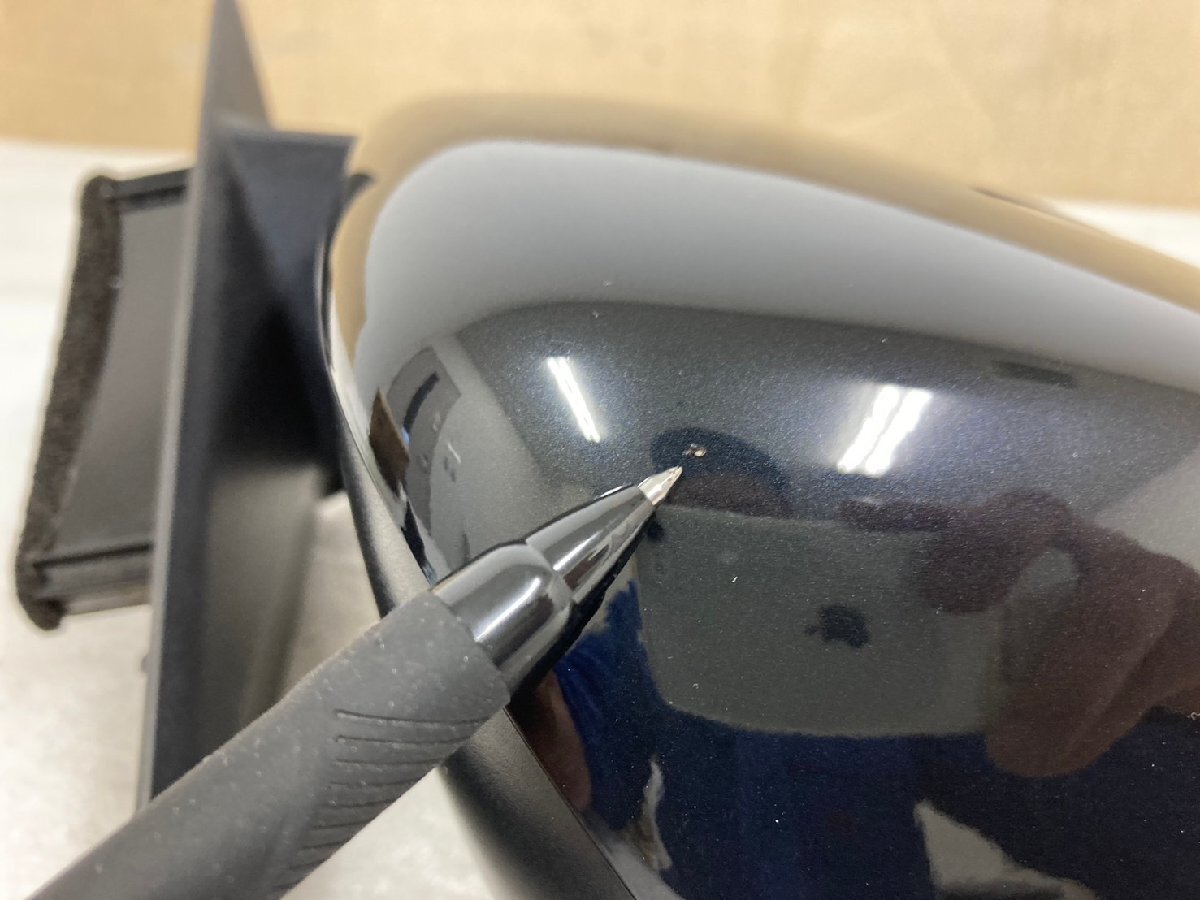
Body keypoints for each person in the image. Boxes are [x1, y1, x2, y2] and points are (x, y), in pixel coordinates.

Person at [513, 431, 1200, 899]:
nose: (724, 561)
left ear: (788, 527)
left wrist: (1161, 704)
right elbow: (575, 768)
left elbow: (1065, 808)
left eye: (747, 523)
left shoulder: (895, 633)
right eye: (690, 533)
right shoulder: (635, 638)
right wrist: (522, 714)